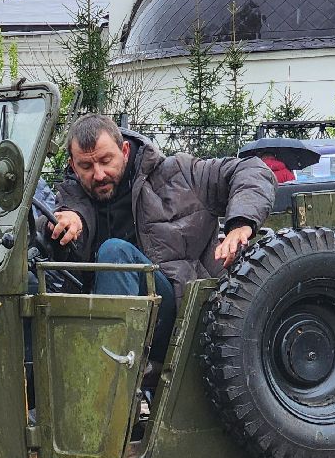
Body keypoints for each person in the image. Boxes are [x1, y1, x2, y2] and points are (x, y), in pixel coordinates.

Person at [49, 113, 276, 368]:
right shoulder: (69, 203)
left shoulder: (179, 174)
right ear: (73, 164)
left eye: (106, 161)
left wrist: (241, 223)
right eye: (87, 167)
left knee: (115, 253)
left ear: (124, 150)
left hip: (181, 315)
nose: (99, 174)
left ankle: (107, 379)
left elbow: (252, 169)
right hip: (100, 323)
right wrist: (65, 224)